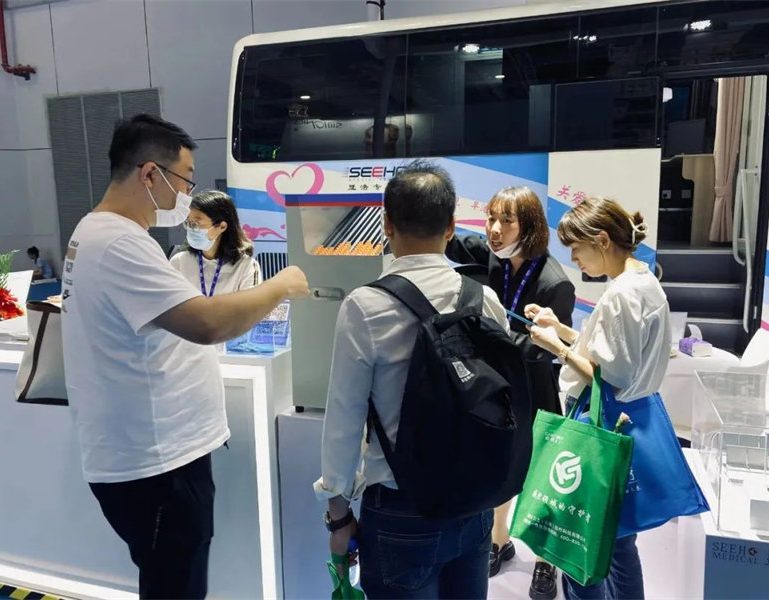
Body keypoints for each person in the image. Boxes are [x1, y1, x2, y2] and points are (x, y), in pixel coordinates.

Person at [60, 114, 309, 599]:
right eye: (185, 180)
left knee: (172, 579)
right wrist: (281, 285)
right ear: (150, 174)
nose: (187, 196)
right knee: (176, 584)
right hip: (157, 465)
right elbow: (206, 323)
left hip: (157, 457)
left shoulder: (99, 233)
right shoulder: (119, 243)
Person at [314, 160, 510, 599]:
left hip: (400, 508)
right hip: (474, 503)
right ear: (451, 226)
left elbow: (344, 419)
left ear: (386, 224)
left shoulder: (366, 306)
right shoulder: (485, 300)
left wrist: (339, 516)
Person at [525, 197, 671, 600]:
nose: (574, 260)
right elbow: (612, 353)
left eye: (576, 249)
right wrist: (562, 330)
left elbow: (607, 378)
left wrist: (555, 347)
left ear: (602, 240)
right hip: (631, 420)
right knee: (619, 542)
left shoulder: (620, 294)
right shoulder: (644, 281)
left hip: (601, 425)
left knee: (582, 545)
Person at [446, 186, 575, 597]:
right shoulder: (492, 256)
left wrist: (491, 340)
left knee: (542, 478)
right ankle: (499, 540)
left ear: (530, 226)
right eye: (491, 219)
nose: (495, 230)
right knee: (501, 466)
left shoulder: (555, 283)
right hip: (497, 386)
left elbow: (546, 350)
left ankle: (545, 561)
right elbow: (449, 243)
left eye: (507, 221)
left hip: (536, 388)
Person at [170, 190, 262, 295]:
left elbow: (251, 304)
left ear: (222, 226)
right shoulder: (179, 262)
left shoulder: (245, 265)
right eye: (188, 223)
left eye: (196, 223)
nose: (190, 229)